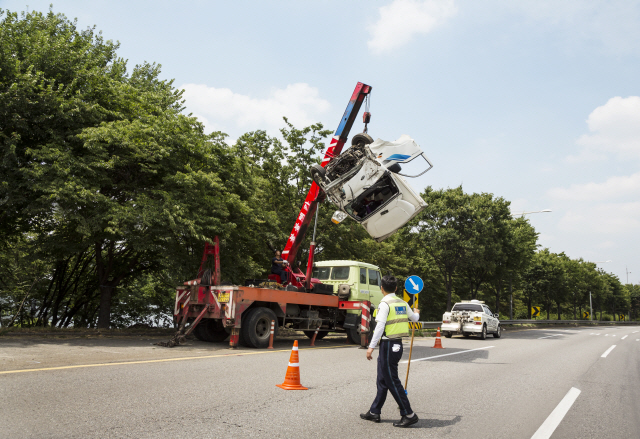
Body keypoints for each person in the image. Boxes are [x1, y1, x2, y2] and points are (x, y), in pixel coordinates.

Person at [360, 275, 420, 428]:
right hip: (397, 345)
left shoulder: (385, 304)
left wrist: (371, 347)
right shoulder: (402, 303)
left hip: (387, 346)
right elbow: (414, 318)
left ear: (382, 288)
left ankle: (408, 414)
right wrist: (417, 312)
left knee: (392, 381)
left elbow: (379, 327)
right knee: (382, 379)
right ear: (396, 288)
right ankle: (375, 411)